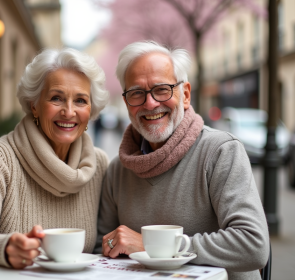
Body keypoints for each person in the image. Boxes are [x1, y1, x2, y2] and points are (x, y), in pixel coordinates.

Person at [96, 41, 269, 280]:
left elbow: (254, 245)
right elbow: (103, 249)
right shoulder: (117, 170)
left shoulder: (221, 151)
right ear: (126, 103)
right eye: (137, 93)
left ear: (185, 95)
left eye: (162, 89)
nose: (150, 103)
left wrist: (155, 246)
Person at [0, 48, 109, 277]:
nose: (68, 111)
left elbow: (101, 249)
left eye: (80, 101)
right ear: (34, 104)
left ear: (91, 110)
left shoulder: (98, 164)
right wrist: (5, 248)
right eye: (56, 98)